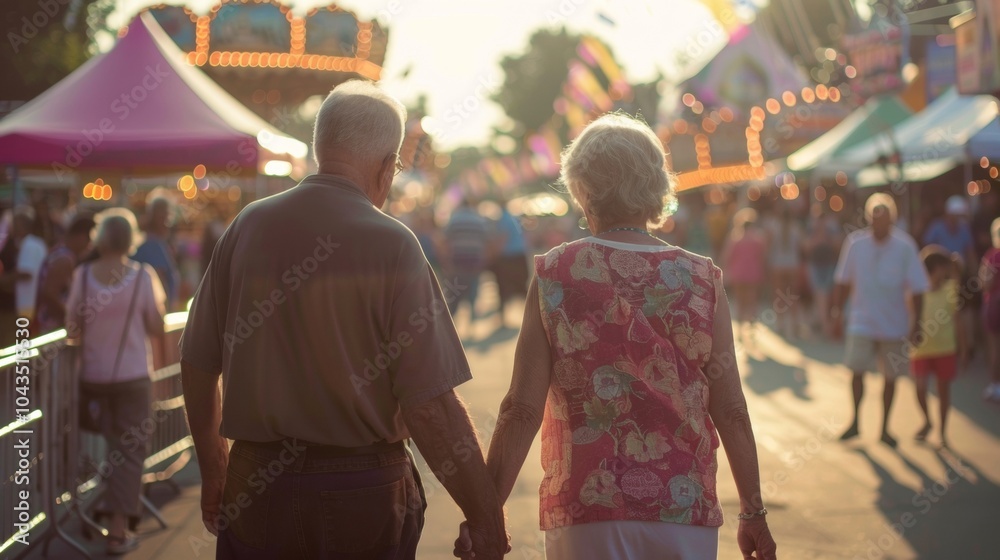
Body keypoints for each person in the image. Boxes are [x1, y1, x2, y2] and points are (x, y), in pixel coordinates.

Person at [180, 80, 507, 560]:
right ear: (385, 165)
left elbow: (197, 358)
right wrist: (485, 519)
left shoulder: (247, 226)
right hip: (360, 490)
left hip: (254, 483)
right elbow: (430, 407)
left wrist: (214, 464)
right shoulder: (393, 244)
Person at [456, 113, 777, 560]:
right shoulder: (701, 278)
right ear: (655, 189)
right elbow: (731, 408)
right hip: (683, 510)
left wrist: (486, 517)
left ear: (583, 190)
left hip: (588, 507)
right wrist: (753, 512)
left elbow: (521, 409)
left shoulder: (556, 274)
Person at [65, 208, 166, 555]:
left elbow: (72, 329)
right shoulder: (142, 276)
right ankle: (118, 532)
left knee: (106, 450)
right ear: (131, 238)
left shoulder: (82, 276)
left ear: (100, 236)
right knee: (130, 453)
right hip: (133, 376)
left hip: (93, 378)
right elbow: (156, 325)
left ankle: (101, 515)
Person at [831, 193, 929, 447]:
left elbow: (918, 288)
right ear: (868, 219)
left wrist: (916, 323)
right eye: (875, 218)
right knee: (857, 371)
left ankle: (885, 427)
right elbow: (842, 281)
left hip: (893, 323)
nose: (879, 224)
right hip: (861, 319)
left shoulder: (905, 246)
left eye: (884, 219)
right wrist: (836, 313)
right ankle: (856, 421)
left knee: (891, 377)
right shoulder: (855, 244)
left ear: (892, 220)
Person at [909, 246, 966, 448]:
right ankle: (927, 420)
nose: (944, 272)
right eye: (941, 268)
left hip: (945, 349)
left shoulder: (951, 289)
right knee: (920, 389)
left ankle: (942, 431)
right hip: (921, 350)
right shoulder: (917, 292)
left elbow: (958, 321)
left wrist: (964, 347)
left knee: (943, 392)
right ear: (933, 269)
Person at [35, 215, 95, 334]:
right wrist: (70, 318)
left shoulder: (62, 252)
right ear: (81, 236)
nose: (89, 247)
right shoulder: (65, 259)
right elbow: (49, 293)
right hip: (52, 328)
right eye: (89, 240)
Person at [443, 198, 489, 325]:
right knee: (473, 286)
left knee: (455, 290)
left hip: (457, 260)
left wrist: (446, 261)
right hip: (474, 260)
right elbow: (486, 240)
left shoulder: (454, 219)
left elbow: (446, 239)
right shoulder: (479, 220)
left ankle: (453, 319)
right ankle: (472, 314)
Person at [722, 207, 768, 328]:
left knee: (740, 301)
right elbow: (763, 257)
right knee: (752, 300)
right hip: (753, 272)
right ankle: (751, 323)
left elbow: (727, 257)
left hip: (738, 273)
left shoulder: (735, 239)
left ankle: (741, 325)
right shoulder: (758, 240)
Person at [133, 194, 180, 311]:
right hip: (154, 315)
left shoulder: (152, 243)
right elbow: (159, 284)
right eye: (167, 216)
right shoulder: (153, 246)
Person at [764, 204, 804, 339]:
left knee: (778, 295)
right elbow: (801, 247)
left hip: (777, 265)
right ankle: (794, 325)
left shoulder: (773, 227)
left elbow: (768, 247)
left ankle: (780, 324)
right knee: (792, 296)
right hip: (792, 264)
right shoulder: (796, 227)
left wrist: (766, 264)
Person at [488, 202, 529, 328]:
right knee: (523, 287)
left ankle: (502, 319)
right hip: (520, 255)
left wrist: (491, 255)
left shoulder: (503, 219)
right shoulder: (514, 217)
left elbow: (502, 239)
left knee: (503, 287)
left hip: (508, 258)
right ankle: (533, 315)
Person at [803, 205, 842, 338]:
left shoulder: (831, 229)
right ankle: (824, 326)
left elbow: (837, 246)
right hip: (815, 264)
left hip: (828, 264)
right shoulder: (811, 229)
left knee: (824, 295)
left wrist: (826, 236)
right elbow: (806, 248)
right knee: (820, 295)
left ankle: (823, 324)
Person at [11, 207, 48, 327]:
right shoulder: (34, 243)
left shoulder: (29, 244)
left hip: (27, 303)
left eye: (15, 224)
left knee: (24, 340)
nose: (12, 228)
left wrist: (4, 280)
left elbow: (26, 273)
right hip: (32, 303)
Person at [923, 195, 977, 275]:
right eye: (956, 215)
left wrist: (975, 272)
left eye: (961, 216)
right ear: (949, 214)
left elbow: (970, 253)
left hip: (959, 271)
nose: (959, 219)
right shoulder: (936, 227)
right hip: (939, 272)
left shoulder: (964, 229)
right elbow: (927, 250)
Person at [979, 218, 1000, 403]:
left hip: (994, 305)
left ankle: (995, 384)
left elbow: (986, 283)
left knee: (994, 348)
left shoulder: (991, 256)